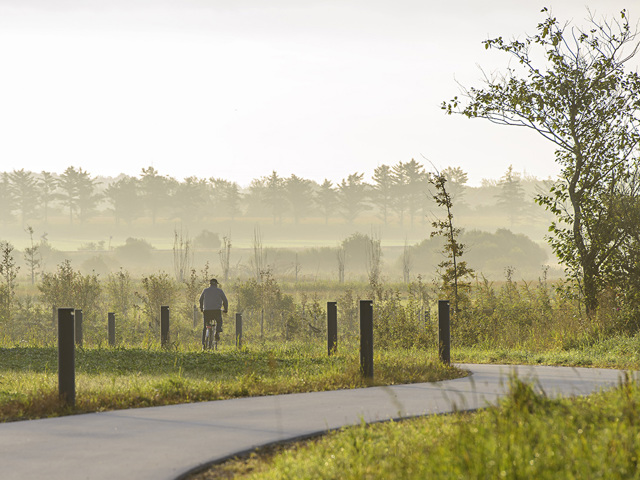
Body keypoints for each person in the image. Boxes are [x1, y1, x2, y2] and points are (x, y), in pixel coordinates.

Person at [199, 278, 228, 347]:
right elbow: (225, 301)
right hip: (216, 311)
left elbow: (200, 299)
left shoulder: (205, 290)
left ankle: (203, 342)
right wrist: (225, 309)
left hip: (207, 311)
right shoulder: (219, 291)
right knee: (219, 321)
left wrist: (201, 308)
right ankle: (217, 332)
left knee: (205, 326)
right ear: (216, 284)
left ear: (210, 284)